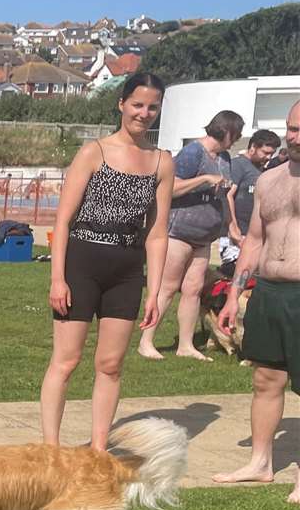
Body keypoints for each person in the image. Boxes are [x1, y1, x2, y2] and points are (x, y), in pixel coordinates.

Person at [40, 72, 172, 450]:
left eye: (152, 107)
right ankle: (51, 449)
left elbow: (158, 232)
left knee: (111, 365)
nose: (144, 114)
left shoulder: (162, 162)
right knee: (66, 361)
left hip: (127, 269)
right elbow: (62, 221)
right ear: (121, 104)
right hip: (82, 262)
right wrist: (57, 278)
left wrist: (155, 291)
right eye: (137, 105)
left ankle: (99, 448)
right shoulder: (93, 152)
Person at [212, 99, 300, 504]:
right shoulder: (270, 180)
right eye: (290, 128)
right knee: (266, 379)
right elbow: (254, 241)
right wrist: (233, 294)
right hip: (267, 290)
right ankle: (261, 463)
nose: (293, 136)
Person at [137, 109, 244, 361]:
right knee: (167, 287)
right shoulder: (193, 152)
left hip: (205, 235)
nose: (237, 139)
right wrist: (204, 178)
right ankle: (146, 341)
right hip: (179, 231)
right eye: (236, 134)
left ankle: (185, 345)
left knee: (193, 290)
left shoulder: (225, 158)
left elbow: (225, 194)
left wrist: (232, 225)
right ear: (226, 131)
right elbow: (169, 187)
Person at [223, 129, 280, 271]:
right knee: (233, 276)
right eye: (265, 153)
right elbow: (227, 195)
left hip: (252, 235)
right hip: (237, 235)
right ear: (253, 147)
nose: (268, 157)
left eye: (272, 154)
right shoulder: (238, 165)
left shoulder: (261, 171)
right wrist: (233, 229)